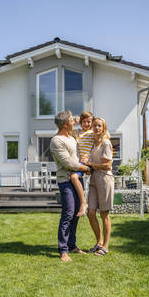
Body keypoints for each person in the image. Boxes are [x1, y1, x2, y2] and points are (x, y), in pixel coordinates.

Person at [50, 110, 90, 262]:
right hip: (65, 181)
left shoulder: (71, 137)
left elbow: (76, 157)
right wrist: (86, 168)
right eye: (72, 120)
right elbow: (68, 163)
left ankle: (72, 245)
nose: (75, 121)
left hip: (76, 179)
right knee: (68, 213)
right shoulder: (57, 140)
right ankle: (63, 250)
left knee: (76, 215)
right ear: (66, 124)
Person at [82, 117, 114, 256]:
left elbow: (108, 165)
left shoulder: (106, 143)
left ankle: (105, 246)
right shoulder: (93, 143)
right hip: (94, 179)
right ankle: (99, 242)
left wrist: (91, 164)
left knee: (104, 214)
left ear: (103, 128)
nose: (96, 128)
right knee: (90, 212)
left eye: (99, 126)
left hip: (105, 179)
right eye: (94, 125)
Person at [70, 111, 94, 217]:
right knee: (74, 178)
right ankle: (82, 202)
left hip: (89, 161)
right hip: (80, 161)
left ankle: (84, 203)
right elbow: (64, 130)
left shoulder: (94, 132)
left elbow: (107, 135)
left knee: (74, 177)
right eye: (84, 122)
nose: (87, 124)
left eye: (89, 122)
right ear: (81, 122)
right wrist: (75, 122)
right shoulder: (77, 132)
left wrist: (89, 157)